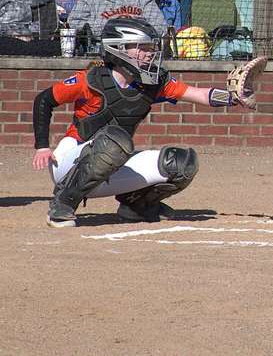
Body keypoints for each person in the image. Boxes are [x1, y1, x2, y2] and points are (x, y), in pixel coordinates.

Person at [31, 17, 254, 228]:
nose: (150, 54)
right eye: (142, 47)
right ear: (118, 48)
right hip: (69, 164)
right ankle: (63, 204)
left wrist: (233, 98)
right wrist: (42, 146)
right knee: (114, 142)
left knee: (181, 163)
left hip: (114, 159)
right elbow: (44, 100)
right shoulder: (90, 79)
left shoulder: (152, 82)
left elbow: (197, 94)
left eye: (151, 48)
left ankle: (136, 206)